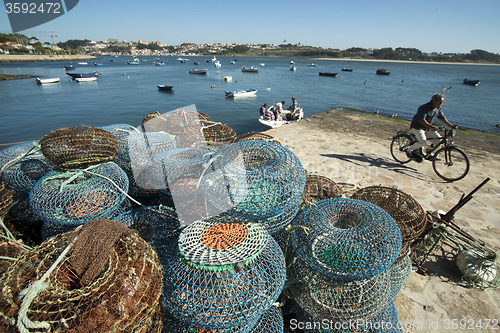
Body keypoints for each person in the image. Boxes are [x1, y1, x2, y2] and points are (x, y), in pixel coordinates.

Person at [406, 93, 456, 161]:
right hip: (417, 127)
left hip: (427, 127)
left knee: (439, 140)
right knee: (423, 142)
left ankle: (431, 154)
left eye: (442, 102)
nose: (441, 103)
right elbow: (422, 120)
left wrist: (451, 125)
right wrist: (432, 127)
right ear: (434, 100)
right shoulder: (424, 107)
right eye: (440, 102)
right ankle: (408, 150)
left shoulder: (438, 108)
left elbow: (442, 118)